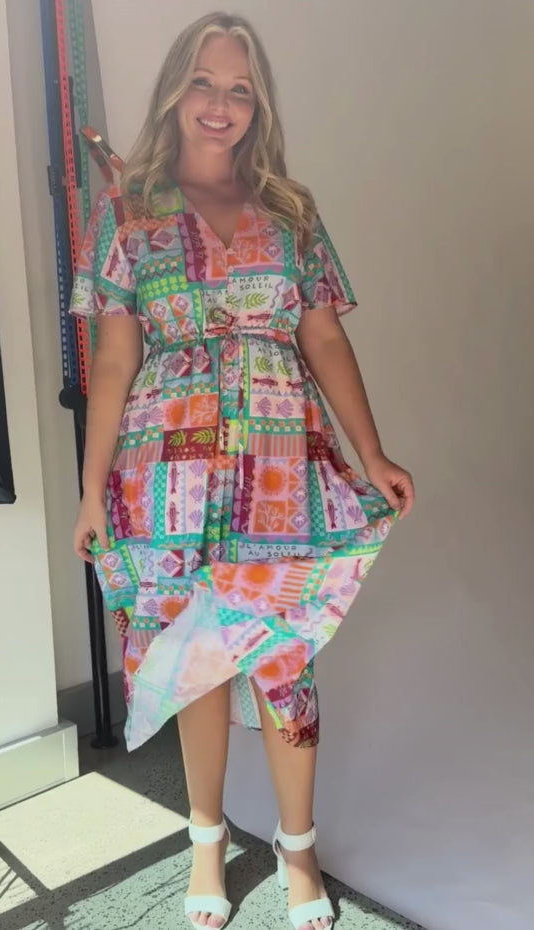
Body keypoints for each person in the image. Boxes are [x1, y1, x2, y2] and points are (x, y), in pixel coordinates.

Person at [70, 12, 414, 930]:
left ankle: (298, 851)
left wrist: (371, 451)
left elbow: (324, 337)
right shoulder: (127, 211)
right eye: (204, 81)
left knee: (284, 659)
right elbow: (114, 358)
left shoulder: (290, 211)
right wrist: (93, 487)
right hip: (165, 472)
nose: (220, 104)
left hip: (279, 467)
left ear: (258, 106)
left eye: (240, 89)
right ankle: (207, 842)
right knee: (198, 663)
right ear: (174, 91)